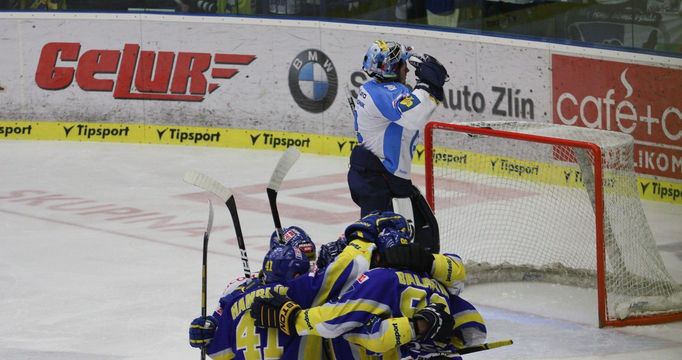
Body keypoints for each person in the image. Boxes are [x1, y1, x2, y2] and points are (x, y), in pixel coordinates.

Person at [189, 212, 469, 358]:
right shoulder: (307, 291)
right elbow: (338, 279)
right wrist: (361, 239)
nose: (313, 264)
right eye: (307, 260)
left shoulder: (238, 291)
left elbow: (217, 347)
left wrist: (207, 332)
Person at [251, 226, 487, 359]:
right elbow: (475, 330)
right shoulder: (438, 284)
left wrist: (294, 319)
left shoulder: (381, 279)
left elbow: (336, 323)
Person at [348, 39, 450, 252]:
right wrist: (428, 86)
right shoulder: (383, 93)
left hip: (379, 177)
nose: (407, 69)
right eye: (403, 63)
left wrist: (430, 89)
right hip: (379, 181)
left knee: (420, 236)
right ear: (392, 68)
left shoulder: (379, 89)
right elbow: (413, 115)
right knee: (386, 249)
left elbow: (416, 110)